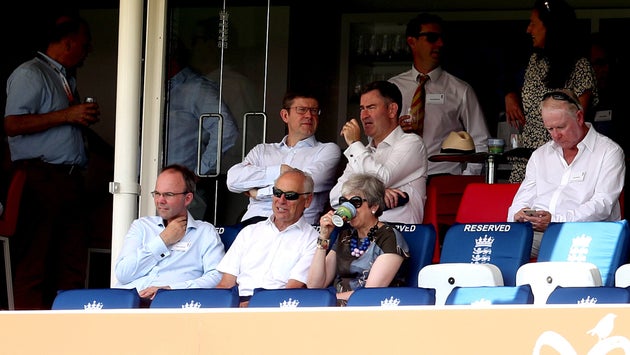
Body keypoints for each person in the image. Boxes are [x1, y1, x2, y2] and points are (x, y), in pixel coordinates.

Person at [3, 14, 100, 309]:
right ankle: (27, 338)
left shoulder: (66, 77)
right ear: (67, 42)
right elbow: (12, 124)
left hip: (68, 179)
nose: (87, 52)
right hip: (40, 177)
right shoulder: (30, 73)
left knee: (69, 261)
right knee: (35, 259)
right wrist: (67, 115)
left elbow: (68, 127)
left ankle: (65, 329)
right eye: (84, 45)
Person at [507, 89, 625, 258]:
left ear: (579, 117)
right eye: (550, 129)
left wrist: (554, 221)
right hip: (539, 235)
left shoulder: (609, 152)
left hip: (585, 235)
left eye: (561, 127)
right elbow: (520, 202)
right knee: (499, 246)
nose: (556, 135)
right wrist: (520, 215)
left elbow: (602, 205)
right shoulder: (540, 155)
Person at [504, 0, 598, 183]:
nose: (528, 30)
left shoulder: (580, 67)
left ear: (551, 27)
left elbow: (577, 124)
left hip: (561, 164)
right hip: (527, 163)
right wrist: (510, 94)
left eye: (533, 24)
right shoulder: (534, 63)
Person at [388, 13, 490, 176]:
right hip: (400, 178)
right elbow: (375, 138)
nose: (440, 44)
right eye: (432, 38)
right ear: (412, 42)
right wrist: (395, 130)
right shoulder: (392, 88)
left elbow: (481, 140)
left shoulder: (460, 89)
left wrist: (466, 178)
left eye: (442, 38)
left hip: (444, 177)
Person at [226, 90, 341, 226]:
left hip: (296, 228)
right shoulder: (262, 150)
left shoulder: (327, 150)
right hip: (253, 225)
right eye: (301, 110)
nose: (309, 115)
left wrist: (258, 193)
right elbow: (233, 180)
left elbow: (303, 185)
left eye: (314, 111)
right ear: (285, 115)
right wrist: (279, 170)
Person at [114, 164, 225, 303]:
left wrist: (170, 291)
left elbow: (217, 277)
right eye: (157, 193)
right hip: (128, 304)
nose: (160, 200)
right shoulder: (142, 226)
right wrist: (163, 240)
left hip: (173, 305)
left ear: (188, 199)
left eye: (168, 194)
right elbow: (123, 274)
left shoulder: (204, 232)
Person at [216, 168, 318, 307]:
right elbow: (226, 284)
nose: (281, 201)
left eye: (290, 195)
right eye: (277, 193)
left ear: (307, 200)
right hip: (236, 306)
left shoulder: (312, 239)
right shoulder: (249, 232)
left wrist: (252, 306)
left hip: (278, 308)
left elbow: (293, 290)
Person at [330, 80, 427, 224]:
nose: (364, 115)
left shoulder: (412, 143)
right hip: (362, 236)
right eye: (362, 108)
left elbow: (382, 178)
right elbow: (335, 197)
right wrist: (377, 194)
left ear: (392, 110)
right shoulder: (362, 153)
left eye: (371, 107)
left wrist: (355, 144)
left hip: (400, 235)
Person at [308, 173, 409, 306]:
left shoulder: (389, 237)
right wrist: (324, 237)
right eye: (344, 202)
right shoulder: (345, 236)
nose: (349, 209)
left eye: (355, 202)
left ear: (374, 206)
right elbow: (315, 285)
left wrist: (326, 299)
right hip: (334, 306)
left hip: (369, 309)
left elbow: (369, 293)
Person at [166, 38, 239, 220]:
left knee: (185, 243)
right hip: (157, 188)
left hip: (185, 192)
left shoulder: (196, 88)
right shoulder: (158, 89)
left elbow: (226, 129)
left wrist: (199, 171)